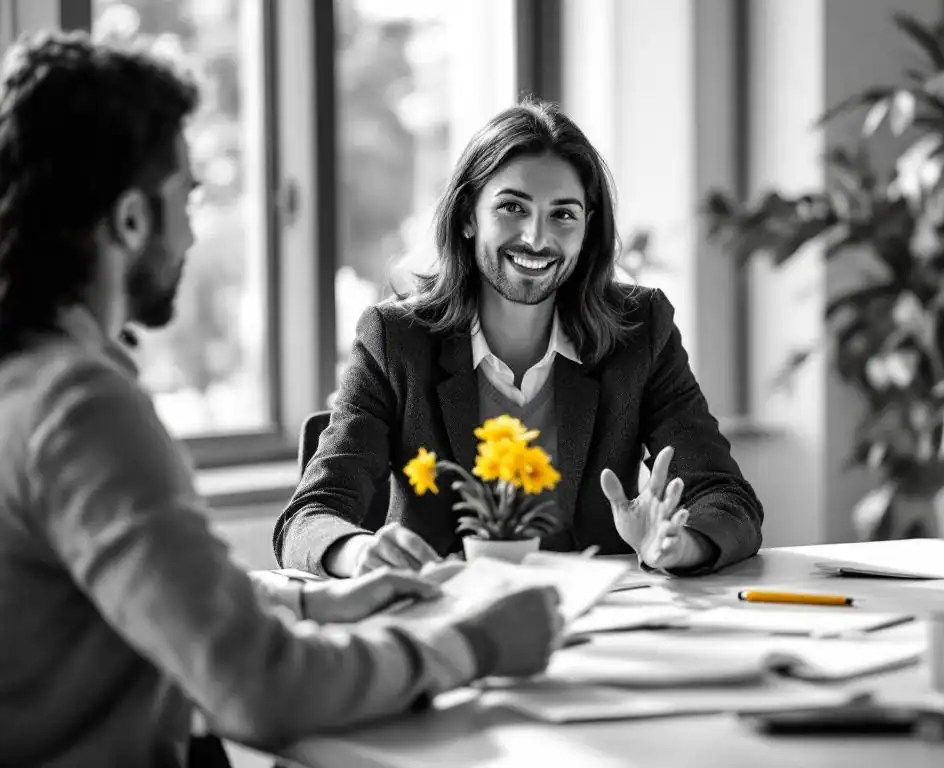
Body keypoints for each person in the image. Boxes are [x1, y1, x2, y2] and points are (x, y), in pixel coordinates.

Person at [0, 31, 562, 768]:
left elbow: (159, 587)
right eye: (188, 198)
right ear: (132, 219)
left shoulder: (26, 382)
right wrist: (474, 644)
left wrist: (309, 603)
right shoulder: (80, 408)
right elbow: (261, 688)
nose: (195, 230)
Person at [275, 98, 765, 580]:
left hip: (602, 629)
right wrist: (359, 551)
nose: (536, 238)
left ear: (588, 229)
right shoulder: (396, 340)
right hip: (447, 629)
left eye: (563, 214)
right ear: (468, 215)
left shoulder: (640, 330)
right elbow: (310, 515)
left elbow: (726, 496)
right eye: (512, 207)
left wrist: (680, 544)